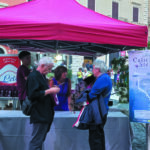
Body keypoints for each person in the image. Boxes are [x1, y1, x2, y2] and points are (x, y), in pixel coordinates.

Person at [26, 57, 60, 150]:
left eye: (50, 69)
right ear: (41, 65)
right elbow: (32, 95)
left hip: (44, 114)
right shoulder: (34, 76)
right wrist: (50, 90)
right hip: (39, 114)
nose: (49, 71)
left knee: (39, 140)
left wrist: (50, 90)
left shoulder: (41, 76)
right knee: (36, 141)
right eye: (48, 68)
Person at [88, 59, 112, 150]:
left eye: (93, 68)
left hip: (98, 112)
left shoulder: (102, 79)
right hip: (100, 111)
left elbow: (91, 96)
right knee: (98, 137)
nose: (92, 70)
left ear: (97, 69)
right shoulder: (105, 78)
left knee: (95, 139)